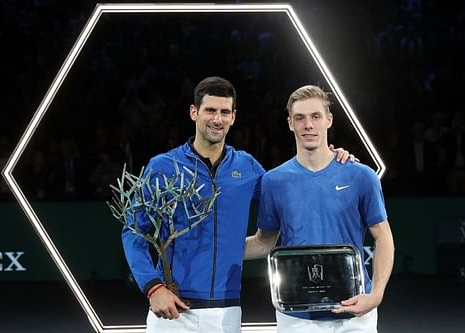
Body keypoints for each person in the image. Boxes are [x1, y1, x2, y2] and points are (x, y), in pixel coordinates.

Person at [121, 77, 354, 333]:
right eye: (210, 110)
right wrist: (153, 287)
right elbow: (134, 232)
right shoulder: (162, 166)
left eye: (224, 112)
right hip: (172, 311)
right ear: (194, 112)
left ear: (233, 116)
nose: (217, 119)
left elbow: (290, 191)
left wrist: (329, 159)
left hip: (227, 312)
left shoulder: (247, 168)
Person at [245, 85, 395, 333]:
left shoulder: (361, 176)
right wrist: (214, 250)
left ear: (329, 120)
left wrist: (376, 294)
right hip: (297, 316)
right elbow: (264, 243)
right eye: (300, 118)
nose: (308, 125)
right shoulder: (273, 181)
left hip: (355, 312)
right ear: (290, 123)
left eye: (315, 116)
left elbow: (383, 236)